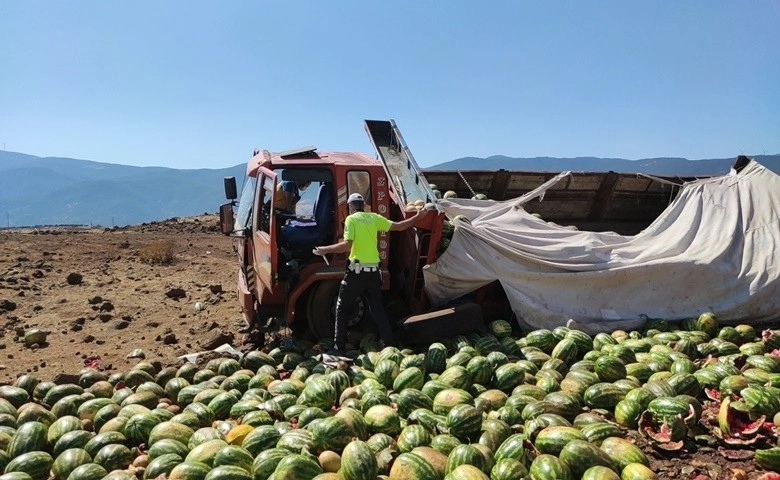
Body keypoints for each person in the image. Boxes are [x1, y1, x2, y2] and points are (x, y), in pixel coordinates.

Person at [313, 193, 430, 355]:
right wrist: (418, 217)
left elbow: (347, 245)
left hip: (356, 273)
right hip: (374, 273)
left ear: (351, 206)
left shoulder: (351, 220)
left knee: (341, 308)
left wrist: (325, 250)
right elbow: (400, 226)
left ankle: (338, 348)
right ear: (362, 205)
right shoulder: (374, 218)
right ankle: (390, 344)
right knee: (377, 309)